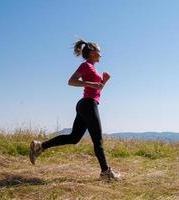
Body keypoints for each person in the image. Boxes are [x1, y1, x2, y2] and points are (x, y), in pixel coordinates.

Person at [29, 39, 121, 180]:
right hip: (88, 104)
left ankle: (40, 146)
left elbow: (96, 89)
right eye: (99, 51)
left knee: (74, 138)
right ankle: (106, 172)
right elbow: (71, 81)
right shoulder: (85, 66)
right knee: (98, 140)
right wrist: (90, 83)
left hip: (87, 104)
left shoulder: (92, 67)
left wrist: (104, 81)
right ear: (91, 52)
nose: (101, 54)